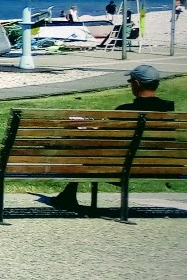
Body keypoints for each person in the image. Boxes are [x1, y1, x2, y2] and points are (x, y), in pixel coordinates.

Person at [50, 65, 175, 208]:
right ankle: (67, 195)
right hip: (160, 165)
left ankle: (68, 196)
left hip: (121, 167)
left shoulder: (125, 111)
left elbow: (103, 137)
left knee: (86, 153)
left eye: (130, 81)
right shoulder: (168, 110)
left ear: (136, 84)